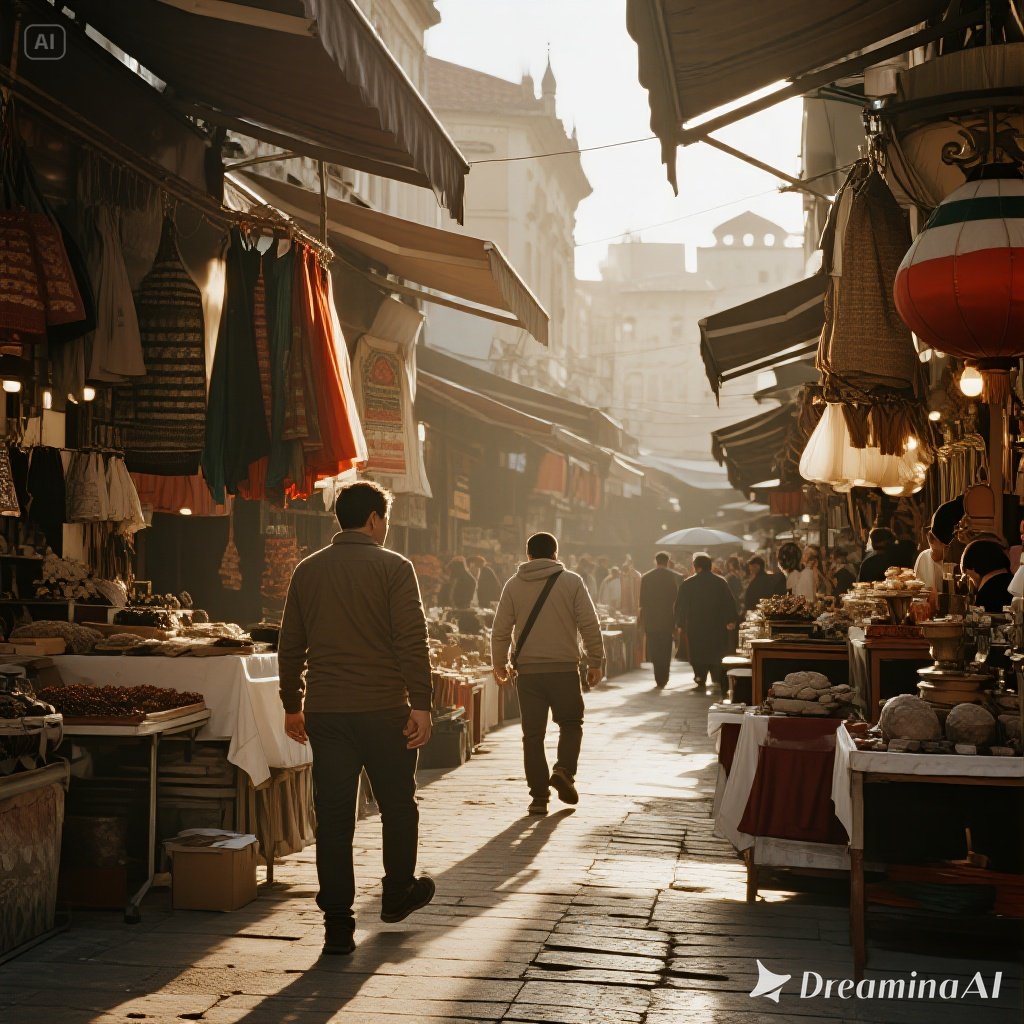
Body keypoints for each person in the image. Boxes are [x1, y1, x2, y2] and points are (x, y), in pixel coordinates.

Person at [278, 481, 434, 957]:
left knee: (334, 817)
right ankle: (397, 894)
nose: (385, 529)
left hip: (328, 712)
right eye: (384, 520)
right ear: (373, 519)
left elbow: (291, 644)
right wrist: (422, 703)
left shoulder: (308, 569)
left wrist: (292, 704)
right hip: (386, 709)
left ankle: (338, 925)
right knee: (398, 805)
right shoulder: (394, 567)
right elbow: (412, 639)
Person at [491, 532, 605, 816]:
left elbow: (500, 630)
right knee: (570, 723)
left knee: (532, 735)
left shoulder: (513, 585)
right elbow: (590, 624)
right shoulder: (572, 582)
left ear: (528, 555)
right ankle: (564, 770)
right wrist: (596, 661)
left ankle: (538, 798)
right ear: (556, 553)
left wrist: (498, 663)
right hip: (564, 670)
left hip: (528, 673)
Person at [674, 552, 739, 693]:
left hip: (695, 626)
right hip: (716, 625)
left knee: (697, 653)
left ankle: (700, 678)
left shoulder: (688, 584)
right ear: (710, 566)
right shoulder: (720, 582)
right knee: (716, 652)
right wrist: (731, 620)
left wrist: (680, 624)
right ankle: (716, 678)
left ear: (695, 567)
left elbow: (680, 606)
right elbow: (729, 603)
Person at [639, 552, 683, 688]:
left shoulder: (646, 577)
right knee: (666, 649)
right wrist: (678, 622)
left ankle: (658, 677)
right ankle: (664, 677)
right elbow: (679, 602)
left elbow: (642, 602)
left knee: (655, 650)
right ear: (668, 561)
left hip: (652, 620)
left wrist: (642, 622)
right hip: (668, 620)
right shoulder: (676, 577)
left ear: (655, 561)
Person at [961, 540, 1013, 613]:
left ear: (972, 566)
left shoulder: (986, 594)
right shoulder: (1015, 583)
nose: (970, 580)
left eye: (968, 575)